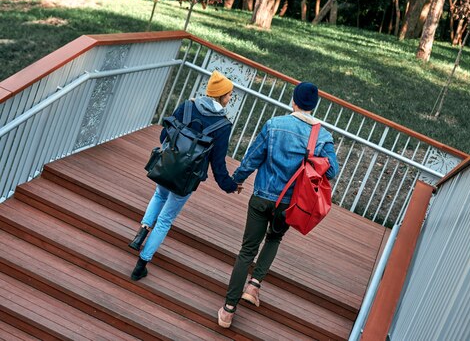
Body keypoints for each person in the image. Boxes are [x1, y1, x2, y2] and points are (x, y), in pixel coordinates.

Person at [217, 82, 339, 328]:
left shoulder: (274, 125)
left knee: (246, 251)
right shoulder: (322, 136)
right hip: (289, 204)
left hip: (262, 197)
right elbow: (332, 170)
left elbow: (253, 158)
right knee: (274, 239)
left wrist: (236, 181)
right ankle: (254, 285)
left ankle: (228, 310)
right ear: (313, 106)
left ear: (293, 101)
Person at [128, 70, 243, 281]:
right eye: (229, 94)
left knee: (158, 196)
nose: (230, 98)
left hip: (166, 166)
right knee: (165, 220)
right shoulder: (223, 126)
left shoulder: (188, 106)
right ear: (221, 95)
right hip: (187, 178)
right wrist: (230, 185)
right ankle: (141, 265)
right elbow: (218, 165)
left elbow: (165, 134)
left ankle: (141, 233)